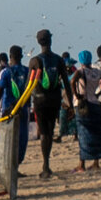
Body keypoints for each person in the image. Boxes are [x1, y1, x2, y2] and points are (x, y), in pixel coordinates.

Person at [0, 44, 30, 197]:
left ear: (10, 57)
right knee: (21, 139)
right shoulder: (26, 71)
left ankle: (11, 170)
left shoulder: (6, 72)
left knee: (8, 141)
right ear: (21, 56)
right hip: (22, 110)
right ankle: (14, 169)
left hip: (8, 111)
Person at [28, 29, 71, 177]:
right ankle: (47, 164)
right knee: (50, 130)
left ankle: (45, 164)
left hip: (39, 101)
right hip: (54, 100)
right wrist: (70, 103)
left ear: (38, 42)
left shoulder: (34, 61)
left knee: (44, 133)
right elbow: (66, 83)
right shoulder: (59, 60)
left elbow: (29, 86)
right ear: (50, 41)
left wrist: (26, 105)